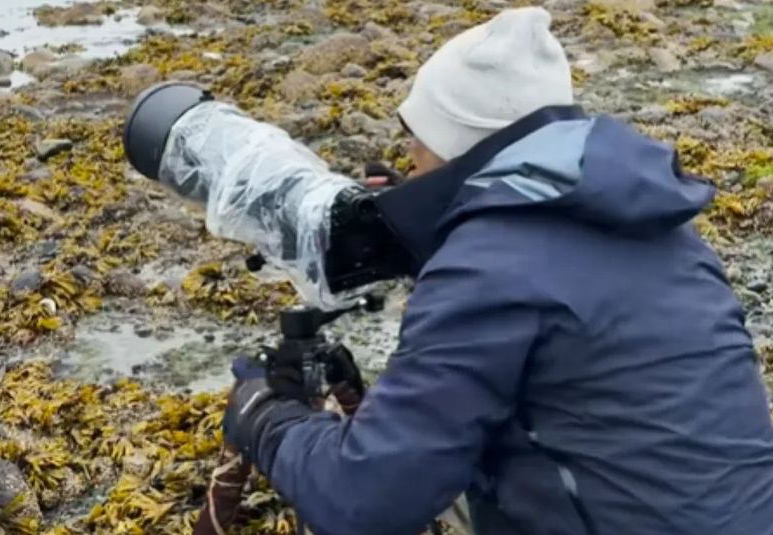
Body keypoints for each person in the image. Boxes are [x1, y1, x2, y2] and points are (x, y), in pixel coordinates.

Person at [221, 6, 773, 535]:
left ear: (455, 141)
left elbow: (364, 503)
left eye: (417, 134)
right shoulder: (659, 221)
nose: (410, 154)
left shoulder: (487, 269)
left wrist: (269, 420)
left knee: (413, 470)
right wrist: (441, 232)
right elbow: (551, 288)